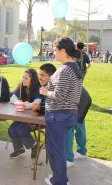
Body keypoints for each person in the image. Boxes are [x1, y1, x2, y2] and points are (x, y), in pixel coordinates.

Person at [39, 37, 82, 185]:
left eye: (55, 50)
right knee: (57, 150)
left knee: (55, 151)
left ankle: (60, 181)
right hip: (67, 115)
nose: (53, 53)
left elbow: (59, 95)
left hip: (59, 116)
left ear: (63, 51)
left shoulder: (65, 70)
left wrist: (46, 92)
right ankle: (58, 178)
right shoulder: (74, 67)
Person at [8, 69, 42, 159]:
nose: (23, 79)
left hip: (35, 119)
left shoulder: (38, 89)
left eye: (26, 78)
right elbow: (12, 99)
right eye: (23, 77)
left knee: (20, 129)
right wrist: (18, 102)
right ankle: (19, 149)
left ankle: (34, 144)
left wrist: (25, 105)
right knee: (11, 129)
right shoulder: (21, 87)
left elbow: (37, 103)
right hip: (22, 117)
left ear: (33, 80)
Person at [65, 87, 92, 167]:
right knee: (79, 126)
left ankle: (68, 159)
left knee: (69, 129)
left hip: (81, 102)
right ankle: (82, 151)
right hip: (80, 100)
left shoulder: (58, 79)